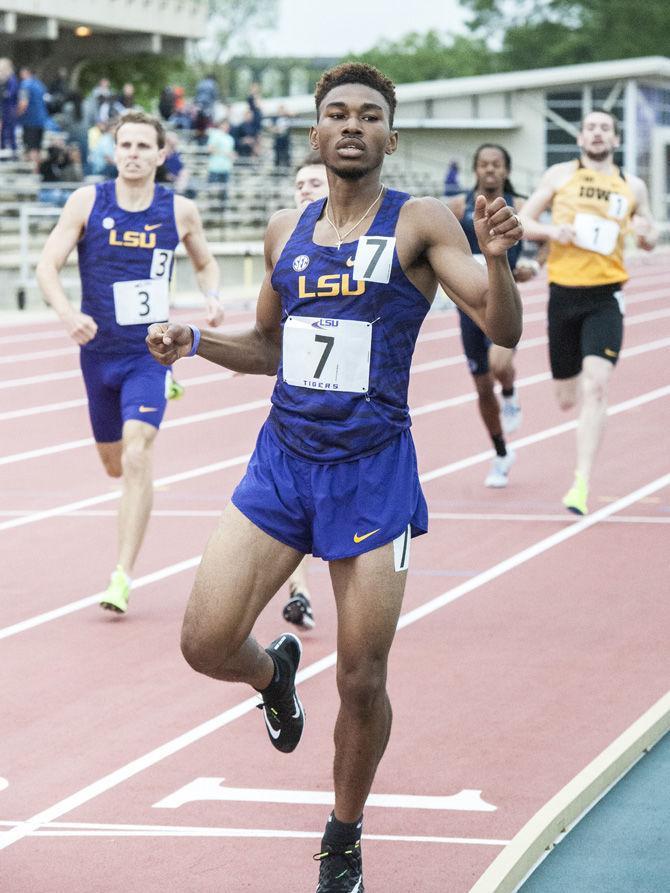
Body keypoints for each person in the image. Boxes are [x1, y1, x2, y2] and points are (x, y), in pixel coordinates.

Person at [146, 63, 521, 892]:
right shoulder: (288, 229)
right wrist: (196, 342)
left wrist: (495, 260)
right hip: (283, 461)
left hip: (372, 472)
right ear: (316, 136)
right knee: (204, 641)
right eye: (337, 115)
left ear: (392, 136)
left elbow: (500, 325)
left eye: (370, 115)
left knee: (361, 674)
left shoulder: (422, 222)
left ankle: (343, 836)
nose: (353, 125)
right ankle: (272, 673)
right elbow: (272, 348)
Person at [36, 110, 224, 614]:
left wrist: (212, 296)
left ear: (162, 154)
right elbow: (47, 265)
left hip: (150, 353)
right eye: (126, 145)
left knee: (139, 453)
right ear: (113, 151)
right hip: (97, 354)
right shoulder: (87, 202)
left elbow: (204, 261)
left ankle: (121, 575)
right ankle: (151, 403)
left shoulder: (179, 210)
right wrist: (67, 312)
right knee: (114, 463)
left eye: (144, 146)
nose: (134, 154)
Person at [519, 109, 658, 515]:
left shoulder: (631, 185)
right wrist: (551, 231)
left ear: (615, 140)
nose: (598, 134)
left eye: (605, 129)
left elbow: (648, 235)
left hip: (606, 296)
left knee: (596, 386)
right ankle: (577, 402)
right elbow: (524, 221)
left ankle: (580, 482)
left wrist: (647, 234)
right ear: (580, 138)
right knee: (566, 397)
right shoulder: (559, 176)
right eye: (591, 128)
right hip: (563, 295)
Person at [446, 143, 537, 488]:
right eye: (483, 164)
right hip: (468, 304)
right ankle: (501, 453)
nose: (489, 170)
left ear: (506, 170)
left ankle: (511, 394)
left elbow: (544, 240)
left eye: (496, 165)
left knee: (500, 365)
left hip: (503, 301)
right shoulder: (458, 207)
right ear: (475, 169)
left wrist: (532, 264)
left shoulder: (523, 206)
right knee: (483, 387)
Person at [280, 153, 330, 631]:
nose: (305, 190)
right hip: (294, 394)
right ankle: (300, 589)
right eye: (299, 183)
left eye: (314, 181)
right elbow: (272, 313)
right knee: (293, 496)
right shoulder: (285, 237)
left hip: (353, 408)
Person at [17, 66, 49, 171]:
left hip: (30, 121)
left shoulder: (25, 85)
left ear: (25, 73)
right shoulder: (39, 85)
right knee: (37, 149)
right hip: (41, 121)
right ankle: (37, 172)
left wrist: (15, 115)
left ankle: (32, 174)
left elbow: (23, 103)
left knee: (31, 149)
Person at [0, 58, 20, 156]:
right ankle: (3, 147)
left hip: (10, 108)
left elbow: (11, 93)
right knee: (4, 129)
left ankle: (13, 149)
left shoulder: (12, 80)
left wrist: (4, 94)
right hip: (5, 108)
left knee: (10, 129)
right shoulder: (5, 80)